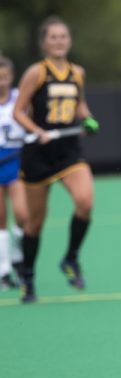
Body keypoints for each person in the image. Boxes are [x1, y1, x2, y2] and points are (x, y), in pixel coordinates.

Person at [13, 16, 100, 304]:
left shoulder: (78, 73)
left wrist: (87, 119)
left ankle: (71, 258)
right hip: (39, 155)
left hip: (69, 151)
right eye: (53, 37)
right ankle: (27, 275)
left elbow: (80, 105)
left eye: (63, 36)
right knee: (35, 223)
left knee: (85, 202)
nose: (59, 41)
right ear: (44, 43)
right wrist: (38, 131)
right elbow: (18, 111)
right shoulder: (36, 73)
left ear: (69, 41)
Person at [0, 56, 27, 291]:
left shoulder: (20, 98)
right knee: (0, 219)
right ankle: (4, 270)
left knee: (21, 214)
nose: (1, 79)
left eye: (5, 75)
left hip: (16, 161)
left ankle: (18, 256)